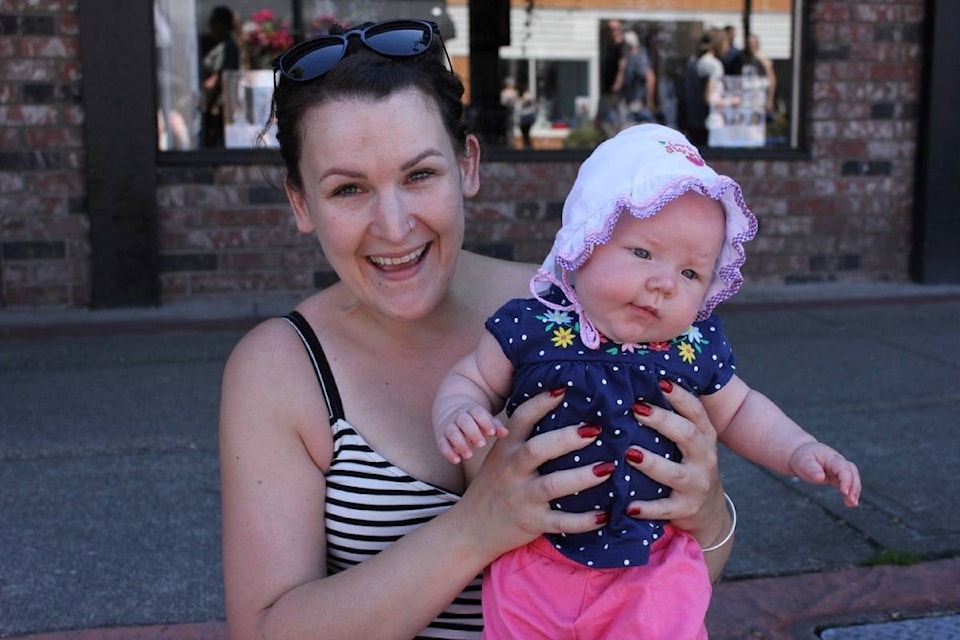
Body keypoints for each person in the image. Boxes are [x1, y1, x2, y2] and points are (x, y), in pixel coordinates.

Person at [219, 19, 736, 640]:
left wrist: (709, 518)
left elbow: (677, 588)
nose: (393, 225)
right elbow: (265, 631)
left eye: (419, 175)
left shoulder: (577, 315)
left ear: (467, 165)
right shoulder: (282, 369)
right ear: (301, 203)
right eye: (348, 188)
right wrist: (477, 528)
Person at [433, 123, 862, 638]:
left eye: (690, 274)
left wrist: (799, 450)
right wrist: (459, 412)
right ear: (585, 240)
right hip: (533, 553)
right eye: (642, 253)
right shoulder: (533, 324)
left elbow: (742, 409)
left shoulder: (692, 344)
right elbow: (472, 380)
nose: (663, 283)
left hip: (654, 564)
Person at [682, 28, 735, 147]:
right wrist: (733, 101)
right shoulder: (713, 65)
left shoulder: (693, 61)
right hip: (711, 124)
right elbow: (710, 98)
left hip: (693, 121)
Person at [200, 5, 241, 148]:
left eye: (213, 22)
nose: (210, 26)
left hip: (218, 105)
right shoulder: (221, 46)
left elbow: (223, 75)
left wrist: (209, 99)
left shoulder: (228, 47)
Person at [619, 29, 656, 124]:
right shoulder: (628, 57)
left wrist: (649, 100)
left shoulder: (639, 58)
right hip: (627, 99)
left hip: (637, 101)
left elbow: (650, 78)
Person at [742, 33, 778, 117]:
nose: (751, 45)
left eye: (753, 43)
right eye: (749, 43)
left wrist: (770, 99)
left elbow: (771, 78)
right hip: (746, 94)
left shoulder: (762, 57)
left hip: (758, 93)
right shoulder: (744, 58)